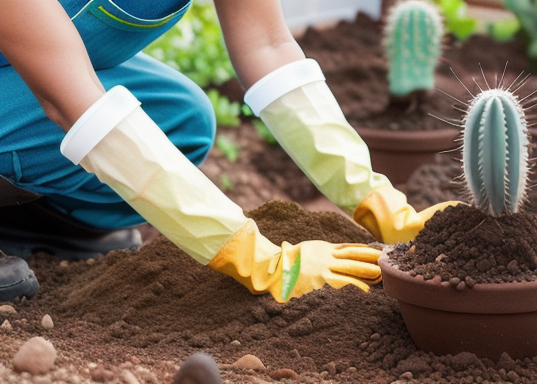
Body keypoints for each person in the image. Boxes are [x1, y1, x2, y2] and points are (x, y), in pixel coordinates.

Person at [0, 0, 458, 304]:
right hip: (43, 74)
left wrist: (374, 198)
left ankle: (21, 220)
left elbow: (269, 45)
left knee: (182, 121)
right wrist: (252, 256)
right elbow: (70, 101)